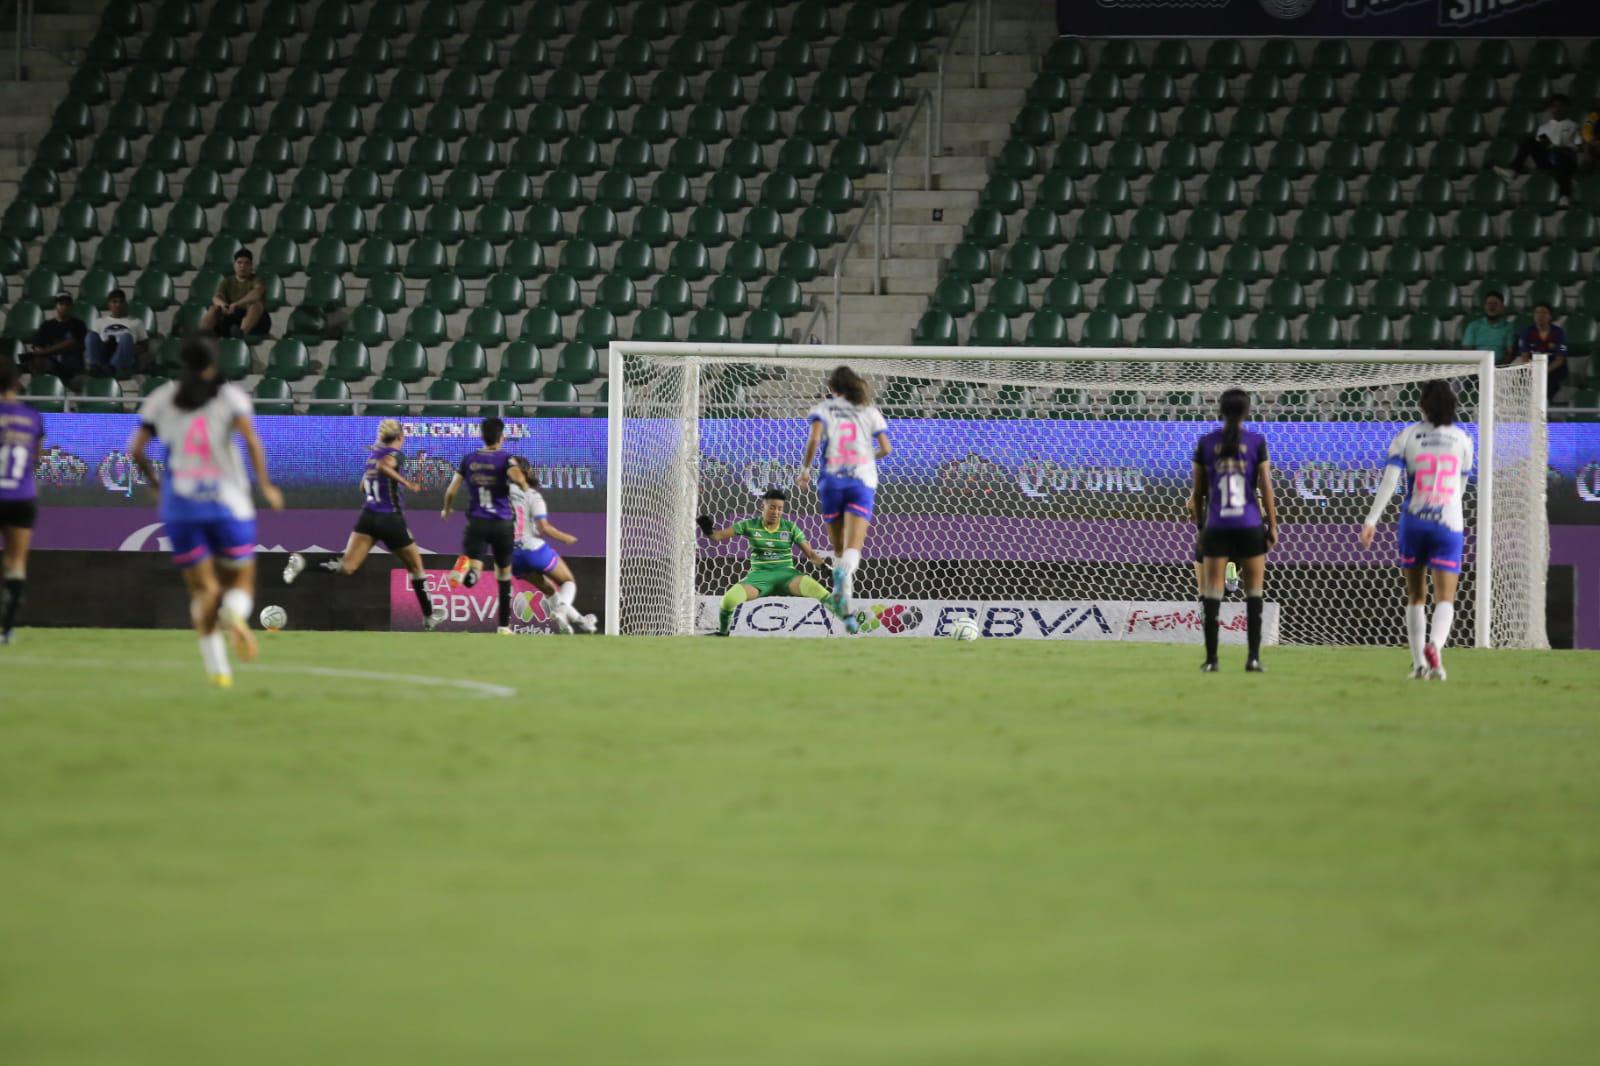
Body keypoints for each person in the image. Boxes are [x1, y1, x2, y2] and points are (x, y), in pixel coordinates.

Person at [129, 337, 284, 686]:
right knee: (240, 582)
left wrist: (156, 485)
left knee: (203, 592)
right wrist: (266, 486)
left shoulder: (161, 398)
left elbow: (135, 450)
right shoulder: (230, 397)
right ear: (214, 362)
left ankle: (219, 672)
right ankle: (234, 612)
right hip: (228, 503)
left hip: (182, 506)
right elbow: (252, 440)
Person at [1359, 381, 1473, 682]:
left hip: (1414, 521)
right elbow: (1460, 488)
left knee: (1415, 595)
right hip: (1448, 522)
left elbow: (1389, 482)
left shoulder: (1407, 436)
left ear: (1422, 404)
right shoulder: (1463, 439)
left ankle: (1420, 664)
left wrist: (1371, 520)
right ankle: (1435, 649)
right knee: (1445, 597)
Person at [280, 418, 437, 631]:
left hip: (368, 517)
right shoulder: (394, 455)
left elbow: (363, 486)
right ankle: (429, 616)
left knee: (348, 566)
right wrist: (406, 483)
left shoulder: (373, 456)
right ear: (400, 437)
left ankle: (304, 563)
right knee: (416, 567)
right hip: (390, 518)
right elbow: (385, 466)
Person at [796, 366, 890, 632]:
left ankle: (846, 610)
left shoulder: (823, 409)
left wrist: (805, 471)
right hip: (860, 482)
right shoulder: (869, 411)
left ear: (832, 388)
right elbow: (886, 448)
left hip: (831, 481)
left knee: (837, 549)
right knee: (852, 548)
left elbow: (814, 440)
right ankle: (842, 584)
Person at [1189, 389, 1277, 673]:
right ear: (1247, 412)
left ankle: (1212, 660)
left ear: (1220, 410)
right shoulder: (1256, 442)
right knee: (1254, 593)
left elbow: (1197, 495)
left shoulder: (1206, 443)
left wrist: (1201, 527)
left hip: (1217, 526)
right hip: (1250, 524)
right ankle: (1253, 659)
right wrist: (1273, 525)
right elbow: (1266, 486)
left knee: (1211, 595)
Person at [697, 489, 842, 637]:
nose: (776, 512)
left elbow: (810, 554)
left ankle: (851, 621)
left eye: (780, 509)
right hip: (759, 577)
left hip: (787, 576)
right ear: (763, 506)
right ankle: (723, 633)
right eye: (772, 507)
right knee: (728, 601)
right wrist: (709, 531)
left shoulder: (790, 527)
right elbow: (718, 536)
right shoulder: (749, 525)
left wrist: (825, 568)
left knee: (821, 593)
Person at [440, 416, 531, 635]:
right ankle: (503, 627)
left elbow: (451, 491)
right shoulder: (506, 459)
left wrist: (447, 509)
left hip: (477, 523)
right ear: (501, 437)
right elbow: (517, 477)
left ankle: (466, 573)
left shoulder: (469, 459)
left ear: (482, 436)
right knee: (504, 576)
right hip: (501, 524)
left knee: (475, 571)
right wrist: (523, 485)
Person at [510, 457, 595, 634]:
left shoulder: (498, 495)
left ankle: (580, 621)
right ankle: (561, 611)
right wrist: (565, 537)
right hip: (533, 549)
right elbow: (544, 528)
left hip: (511, 556)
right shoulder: (532, 495)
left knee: (550, 591)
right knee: (568, 581)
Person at [0, 361, 44, 644]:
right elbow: (36, 457)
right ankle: (7, 630)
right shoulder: (32, 416)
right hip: (22, 496)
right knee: (16, 562)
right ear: (17, 383)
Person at [1511, 94, 1580, 199]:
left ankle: (1564, 197)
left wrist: (1561, 148)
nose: (1557, 109)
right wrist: (1551, 147)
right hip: (1549, 158)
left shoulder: (1573, 126)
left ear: (1566, 108)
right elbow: (1543, 146)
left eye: (1560, 106)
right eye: (1554, 106)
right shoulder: (1543, 128)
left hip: (1566, 158)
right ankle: (1514, 171)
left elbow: (1578, 146)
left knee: (1561, 155)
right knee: (1529, 140)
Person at [200, 249, 269, 338]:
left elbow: (257, 293)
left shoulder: (257, 279)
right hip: (232, 316)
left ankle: (241, 333)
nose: (243, 266)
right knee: (214, 308)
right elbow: (216, 297)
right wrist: (224, 305)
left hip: (255, 321)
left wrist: (237, 304)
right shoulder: (227, 281)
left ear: (251, 266)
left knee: (257, 305)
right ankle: (201, 336)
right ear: (234, 265)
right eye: (239, 263)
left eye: (246, 263)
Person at [85, 288, 150, 377]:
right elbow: (93, 344)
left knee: (126, 337)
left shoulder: (136, 322)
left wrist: (131, 348)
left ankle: (112, 367)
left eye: (121, 302)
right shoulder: (99, 322)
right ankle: (95, 366)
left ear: (125, 304)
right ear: (109, 305)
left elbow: (145, 346)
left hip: (124, 354)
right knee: (91, 335)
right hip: (105, 353)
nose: (118, 305)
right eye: (114, 302)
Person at [1511, 302, 1569, 401]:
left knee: (1549, 381)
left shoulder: (1559, 332)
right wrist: (1534, 370)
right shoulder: (1527, 332)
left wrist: (1544, 371)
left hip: (1553, 366)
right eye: (1537, 312)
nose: (1540, 315)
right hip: (1533, 364)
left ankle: (1545, 402)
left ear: (1550, 316)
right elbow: (1525, 356)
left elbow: (1560, 359)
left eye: (1544, 313)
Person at [26, 292, 87, 383]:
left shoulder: (78, 324)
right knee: (36, 362)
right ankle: (36, 387)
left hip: (71, 364)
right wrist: (40, 351)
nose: (64, 307)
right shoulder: (46, 325)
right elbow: (37, 345)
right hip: (52, 363)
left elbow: (73, 342)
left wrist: (46, 351)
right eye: (61, 304)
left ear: (71, 307)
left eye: (67, 304)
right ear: (55, 305)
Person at [1460, 290, 1516, 365]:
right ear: (1485, 306)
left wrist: (1499, 368)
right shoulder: (1473, 326)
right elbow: (1467, 350)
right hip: (1477, 366)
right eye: (1489, 303)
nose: (1491, 307)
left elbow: (1510, 353)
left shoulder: (1509, 327)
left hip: (1500, 367)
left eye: (1495, 303)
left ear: (1502, 307)